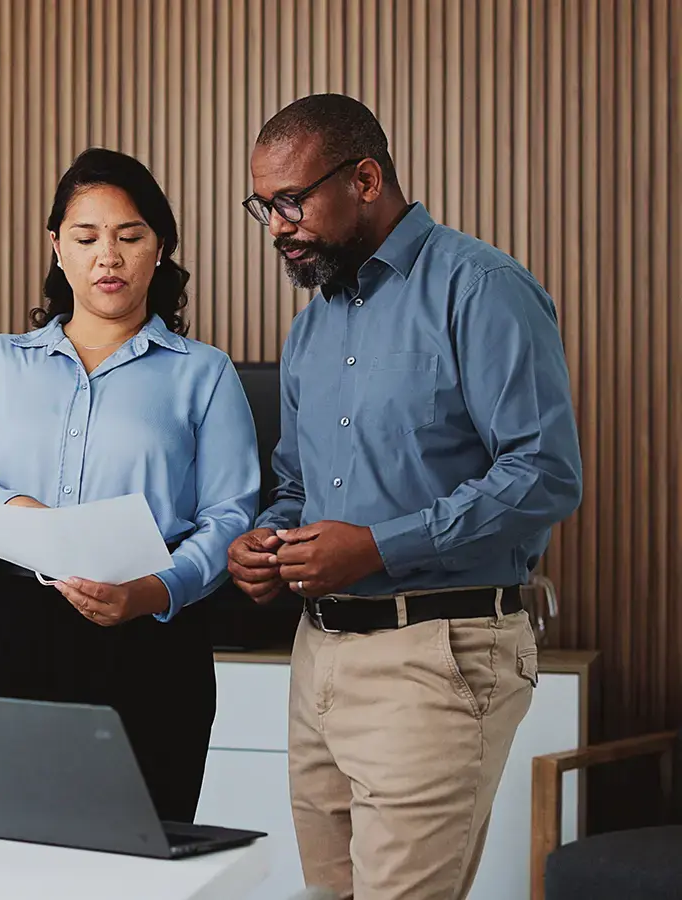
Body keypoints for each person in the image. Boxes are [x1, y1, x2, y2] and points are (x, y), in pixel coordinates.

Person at [228, 94, 583, 899]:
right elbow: (295, 483)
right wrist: (267, 540)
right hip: (317, 655)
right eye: (264, 206)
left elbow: (545, 472)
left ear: (364, 178)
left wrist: (378, 545)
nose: (278, 225)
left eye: (292, 200)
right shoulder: (311, 327)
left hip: (436, 655)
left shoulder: (482, 287)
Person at [0, 148, 260, 823]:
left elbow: (230, 513)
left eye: (129, 237)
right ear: (57, 248)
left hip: (149, 640)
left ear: (159, 247)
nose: (108, 256)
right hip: (7, 630)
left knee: (135, 857)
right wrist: (20, 511)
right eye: (86, 238)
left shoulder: (205, 373)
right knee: (1, 855)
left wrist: (156, 590)